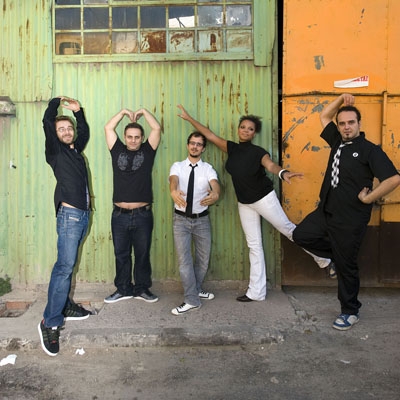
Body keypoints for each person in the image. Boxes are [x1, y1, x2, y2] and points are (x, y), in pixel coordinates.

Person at [177, 105, 332, 302]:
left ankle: (325, 259)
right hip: (244, 203)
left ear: (254, 133)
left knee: (288, 230)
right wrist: (189, 118)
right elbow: (209, 135)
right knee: (254, 245)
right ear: (238, 129)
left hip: (264, 199)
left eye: (250, 129)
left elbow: (270, 165)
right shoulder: (232, 148)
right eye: (243, 127)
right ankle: (256, 292)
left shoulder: (259, 152)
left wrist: (283, 173)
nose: (245, 131)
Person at [293, 93, 400, 330]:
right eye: (342, 123)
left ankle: (350, 311)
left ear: (359, 124)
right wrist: (341, 98)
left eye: (351, 122)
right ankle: (333, 258)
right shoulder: (336, 141)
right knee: (301, 235)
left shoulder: (370, 150)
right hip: (326, 211)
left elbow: (393, 179)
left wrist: (369, 198)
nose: (346, 127)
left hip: (351, 218)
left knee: (347, 267)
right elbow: (324, 115)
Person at [38, 96, 92, 357]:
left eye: (69, 128)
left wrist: (78, 113)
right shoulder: (55, 152)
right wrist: (56, 102)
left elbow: (85, 133)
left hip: (82, 215)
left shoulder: (74, 150)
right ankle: (50, 321)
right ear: (55, 134)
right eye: (61, 129)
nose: (67, 132)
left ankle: (64, 305)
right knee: (64, 267)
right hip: (70, 216)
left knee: (69, 265)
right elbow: (47, 121)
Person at [104, 108, 161, 304]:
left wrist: (144, 112)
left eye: (137, 137)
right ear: (125, 137)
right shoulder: (117, 150)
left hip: (142, 214)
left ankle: (142, 289)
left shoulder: (148, 151)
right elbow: (108, 128)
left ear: (142, 138)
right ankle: (123, 289)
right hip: (119, 215)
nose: (133, 140)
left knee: (142, 254)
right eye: (130, 137)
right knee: (121, 254)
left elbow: (156, 128)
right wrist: (122, 113)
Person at [169, 132, 220, 315]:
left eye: (199, 144)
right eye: (192, 143)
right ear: (187, 145)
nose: (195, 146)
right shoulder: (178, 166)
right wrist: (173, 191)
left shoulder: (207, 168)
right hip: (180, 221)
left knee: (203, 260)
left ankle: (196, 289)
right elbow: (173, 180)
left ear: (203, 148)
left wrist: (216, 193)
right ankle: (191, 300)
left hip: (201, 220)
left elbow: (215, 184)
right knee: (185, 262)